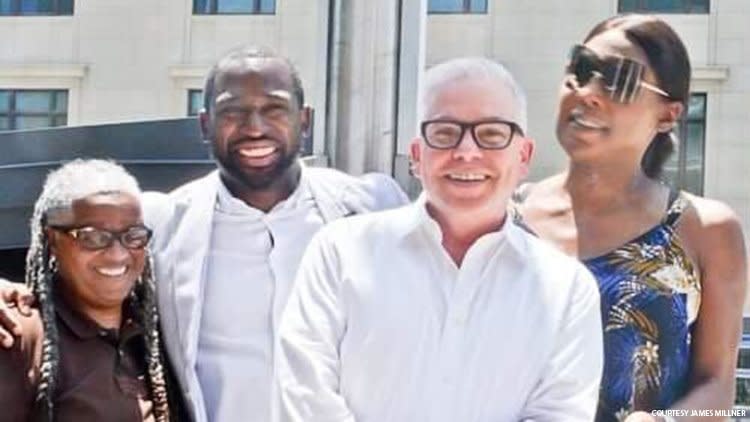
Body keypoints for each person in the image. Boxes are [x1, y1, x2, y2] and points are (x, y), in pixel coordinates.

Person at [0, 46, 407, 422]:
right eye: (233, 113)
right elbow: (77, 271)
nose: (255, 128)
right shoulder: (162, 222)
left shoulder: (371, 208)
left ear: (305, 120)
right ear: (205, 124)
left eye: (275, 109)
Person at [275, 57, 604, 421]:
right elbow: (304, 396)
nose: (467, 152)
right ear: (417, 155)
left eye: (492, 134)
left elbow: (559, 414)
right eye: (445, 133)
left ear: (523, 155)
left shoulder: (566, 289)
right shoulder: (340, 252)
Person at [512, 15, 748, 422]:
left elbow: (717, 390)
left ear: (669, 115)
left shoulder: (705, 230)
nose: (587, 93)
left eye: (618, 80)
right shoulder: (502, 219)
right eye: (581, 69)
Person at [0, 159, 180, 421]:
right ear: (52, 239)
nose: (118, 254)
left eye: (133, 235)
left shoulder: (159, 330)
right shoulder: (18, 334)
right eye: (93, 237)